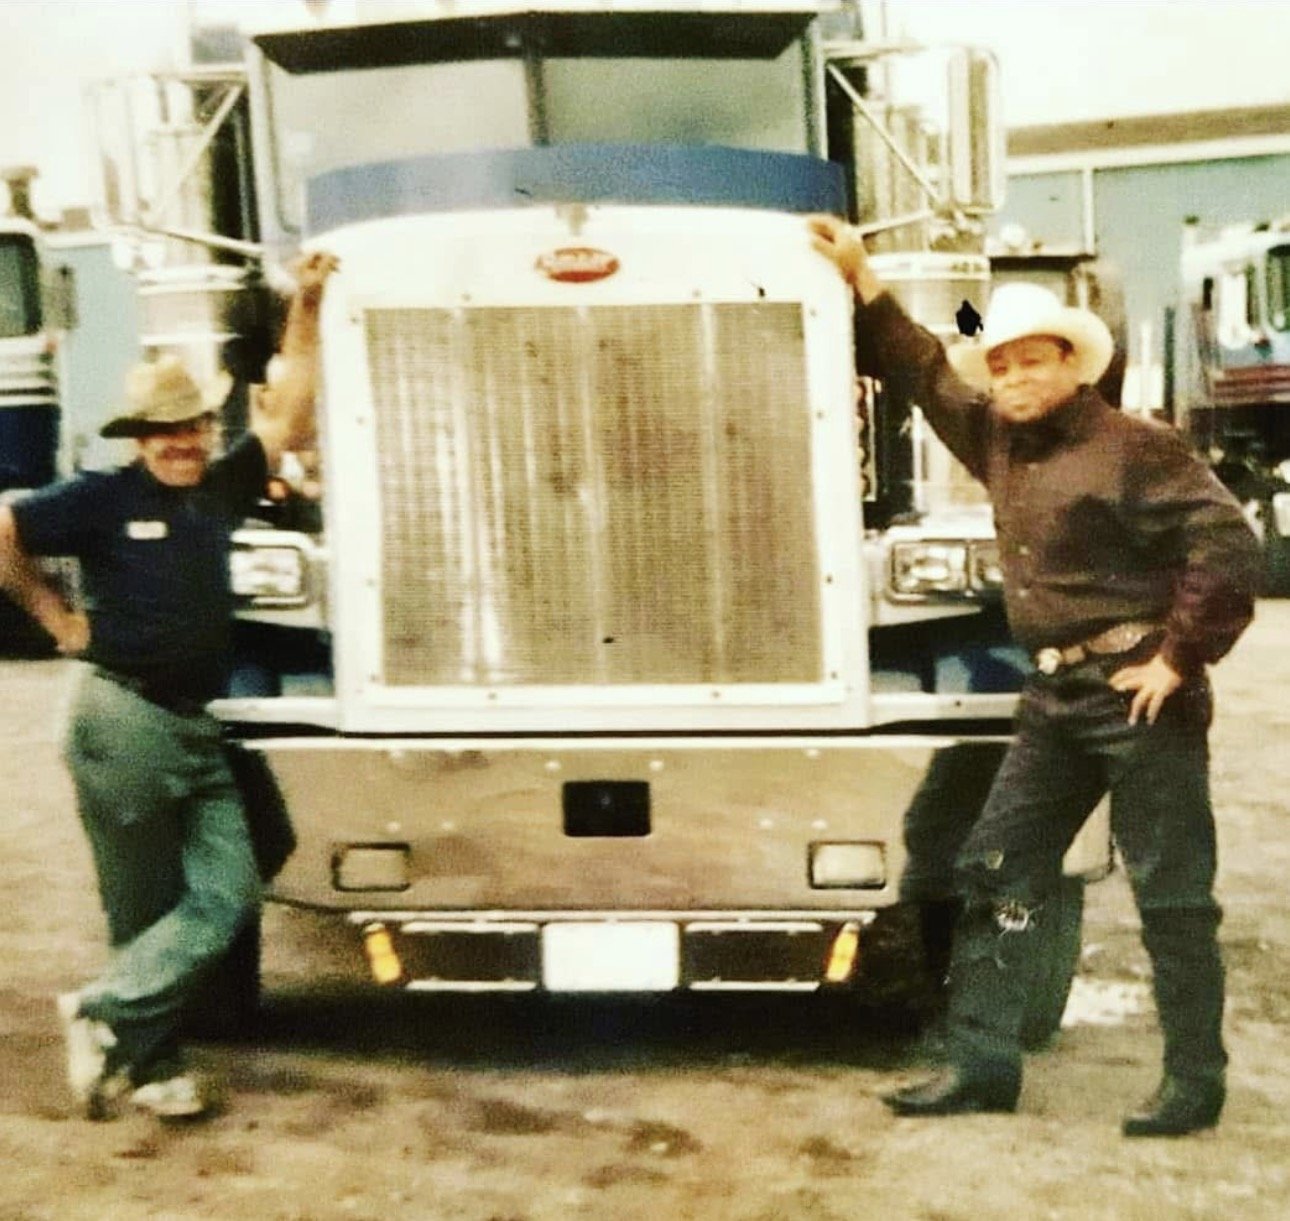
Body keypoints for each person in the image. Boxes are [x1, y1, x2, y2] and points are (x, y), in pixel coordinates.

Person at [808, 215, 1260, 1138]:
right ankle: (982, 1063)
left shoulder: (1140, 444)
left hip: (1139, 700)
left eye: (1032, 361)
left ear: (1074, 363)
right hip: (1053, 699)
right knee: (996, 867)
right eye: (1003, 363)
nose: (1013, 376)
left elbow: (1229, 545)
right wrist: (862, 278)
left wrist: (1177, 656)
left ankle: (1195, 1081)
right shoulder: (999, 440)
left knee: (1172, 892)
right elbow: (929, 365)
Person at [0, 250, 338, 1120]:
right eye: (165, 431)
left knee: (230, 886)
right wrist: (52, 614)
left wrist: (307, 299)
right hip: (120, 721)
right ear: (138, 438)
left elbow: (293, 404)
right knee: (142, 901)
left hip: (193, 725)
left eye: (193, 424)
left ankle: (105, 1010)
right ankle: (152, 1071)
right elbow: (3, 522)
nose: (184, 441)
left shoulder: (220, 486)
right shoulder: (103, 497)